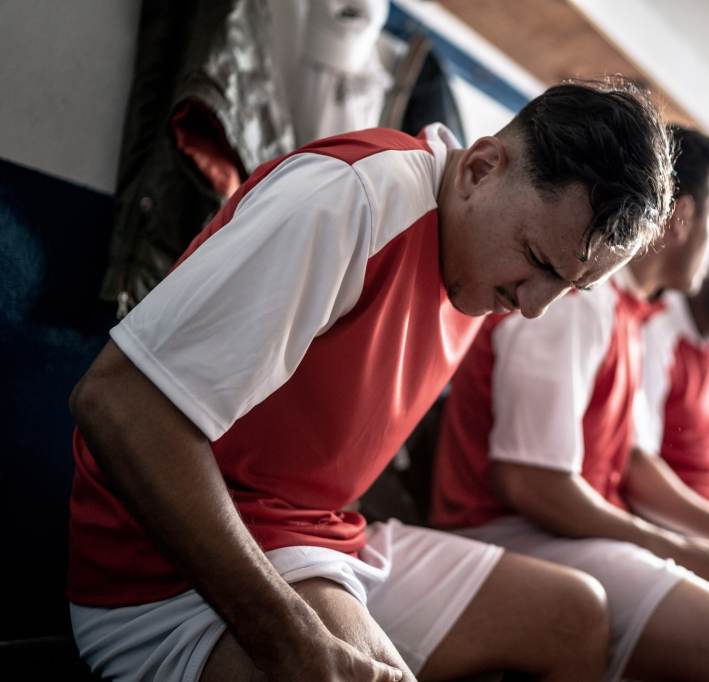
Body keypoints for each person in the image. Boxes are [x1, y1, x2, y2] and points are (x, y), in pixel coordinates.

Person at [66, 79, 674, 682]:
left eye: (573, 286)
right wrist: (290, 637)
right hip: (161, 569)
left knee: (576, 615)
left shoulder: (481, 258)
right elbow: (119, 402)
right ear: (482, 168)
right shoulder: (351, 197)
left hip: (317, 532)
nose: (536, 305)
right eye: (539, 262)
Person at [432, 126, 709, 682]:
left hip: (569, 529)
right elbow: (528, 482)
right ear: (683, 217)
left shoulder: (631, 311)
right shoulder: (574, 302)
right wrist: (679, 548)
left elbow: (635, 466)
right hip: (505, 529)